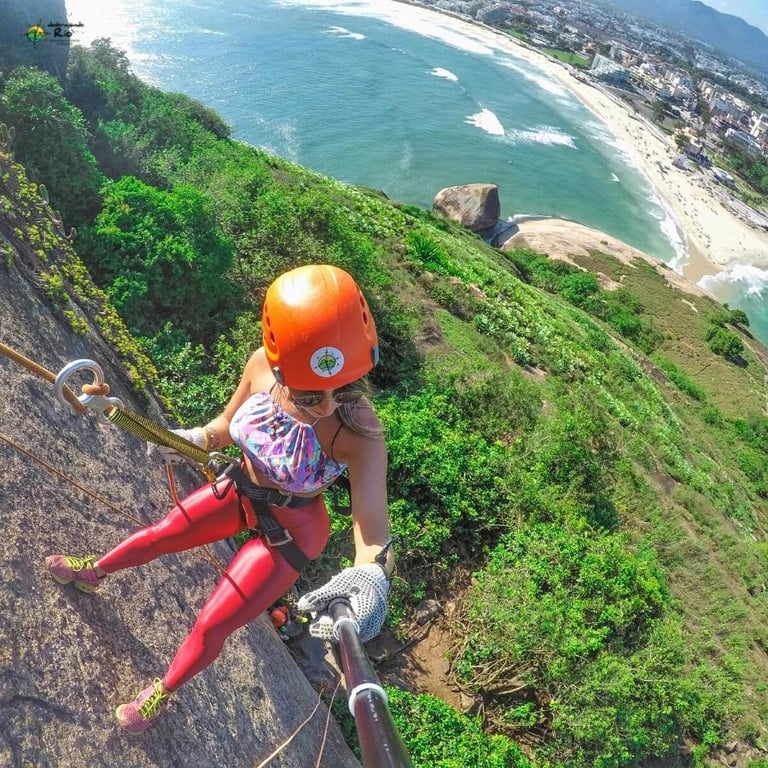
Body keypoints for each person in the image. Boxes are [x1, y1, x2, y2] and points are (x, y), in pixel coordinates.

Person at [46, 264, 393, 734]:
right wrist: (191, 438)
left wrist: (372, 575)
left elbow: (372, 530)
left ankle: (162, 692)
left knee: (214, 621)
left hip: (292, 531)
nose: (330, 404)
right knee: (162, 533)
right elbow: (226, 426)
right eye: (311, 395)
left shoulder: (360, 431)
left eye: (347, 388)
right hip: (241, 488)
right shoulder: (261, 367)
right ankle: (95, 571)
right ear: (281, 367)